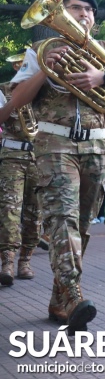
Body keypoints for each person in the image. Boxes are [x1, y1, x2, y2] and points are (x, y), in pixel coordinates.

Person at [3, 0, 105, 332]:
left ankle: (60, 299)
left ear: (95, 20)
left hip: (98, 148)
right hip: (54, 144)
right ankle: (74, 295)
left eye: (88, 10)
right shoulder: (39, 50)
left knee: (82, 226)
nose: (82, 14)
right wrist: (42, 69)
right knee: (60, 220)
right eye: (74, 8)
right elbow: (13, 101)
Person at [0, 52, 41, 285]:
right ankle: (7, 260)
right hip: (12, 154)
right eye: (22, 65)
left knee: (35, 213)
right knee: (9, 209)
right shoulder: (3, 89)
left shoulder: (45, 91)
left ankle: (25, 260)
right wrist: (15, 100)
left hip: (38, 155)